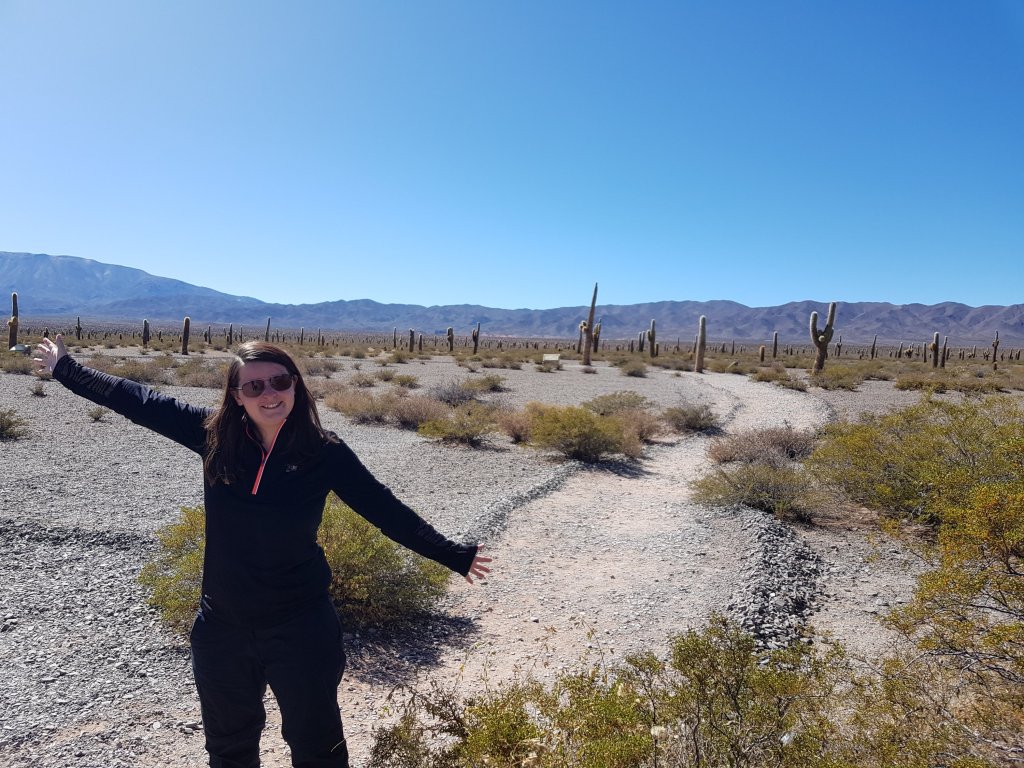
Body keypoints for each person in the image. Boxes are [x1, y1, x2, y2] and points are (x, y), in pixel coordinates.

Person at [34, 335, 491, 768]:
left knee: (318, 746)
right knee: (228, 747)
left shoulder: (324, 452)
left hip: (301, 626)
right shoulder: (213, 436)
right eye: (254, 387)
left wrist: (454, 555)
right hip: (221, 628)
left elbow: (385, 510)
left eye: (280, 381)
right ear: (236, 396)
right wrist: (67, 370)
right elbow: (139, 401)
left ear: (296, 385)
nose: (269, 394)